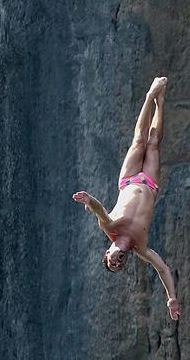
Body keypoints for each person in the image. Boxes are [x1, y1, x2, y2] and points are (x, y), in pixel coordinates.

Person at [72, 76, 180, 321]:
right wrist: (171, 297)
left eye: (112, 262)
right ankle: (160, 103)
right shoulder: (140, 247)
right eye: (120, 265)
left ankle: (150, 95)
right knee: (153, 145)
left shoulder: (110, 227)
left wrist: (89, 199)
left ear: (108, 252)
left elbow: (100, 210)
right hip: (150, 185)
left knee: (139, 140)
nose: (118, 262)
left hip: (129, 180)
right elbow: (162, 268)